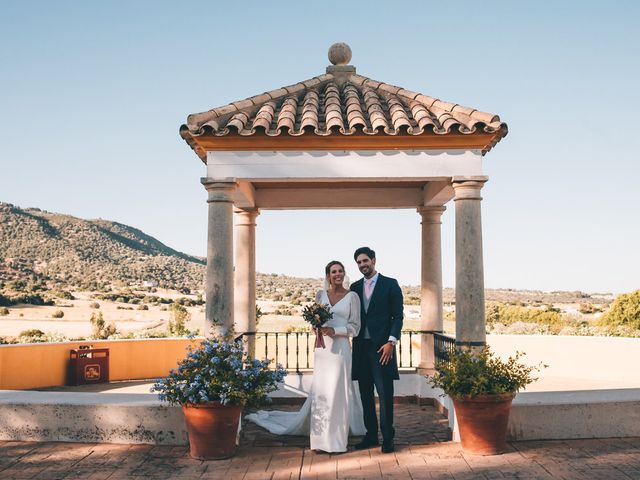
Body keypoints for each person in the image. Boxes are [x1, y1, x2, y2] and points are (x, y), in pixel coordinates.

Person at [245, 260, 366, 452]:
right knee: (321, 393)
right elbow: (315, 322)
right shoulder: (321, 295)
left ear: (344, 273)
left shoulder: (352, 297)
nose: (337, 274)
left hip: (341, 350)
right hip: (322, 349)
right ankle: (319, 441)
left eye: (340, 271)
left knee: (338, 393)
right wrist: (316, 327)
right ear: (328, 275)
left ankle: (336, 441)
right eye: (334, 271)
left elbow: (355, 328)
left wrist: (335, 330)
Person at [350, 247, 403, 454]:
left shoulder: (390, 284)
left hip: (383, 349)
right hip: (361, 349)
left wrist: (391, 342)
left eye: (365, 260)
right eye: (359, 262)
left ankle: (388, 438)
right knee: (365, 395)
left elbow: (397, 317)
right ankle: (371, 435)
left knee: (385, 394)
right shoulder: (354, 287)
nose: (363, 265)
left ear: (373, 260)